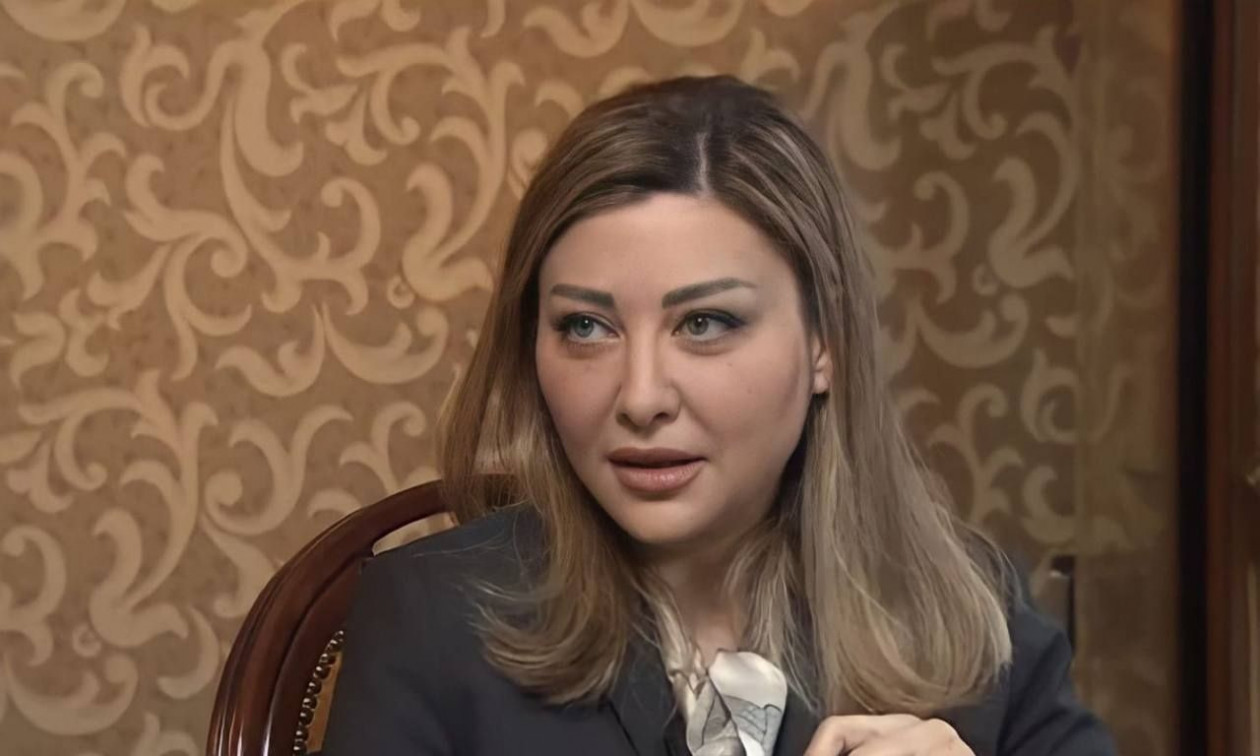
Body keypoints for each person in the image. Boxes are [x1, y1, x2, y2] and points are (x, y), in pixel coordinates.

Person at [319, 75, 1114, 756]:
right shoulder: (427, 619)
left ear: (825, 341)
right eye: (586, 327)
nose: (640, 398)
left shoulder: (976, 611)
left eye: (704, 323)